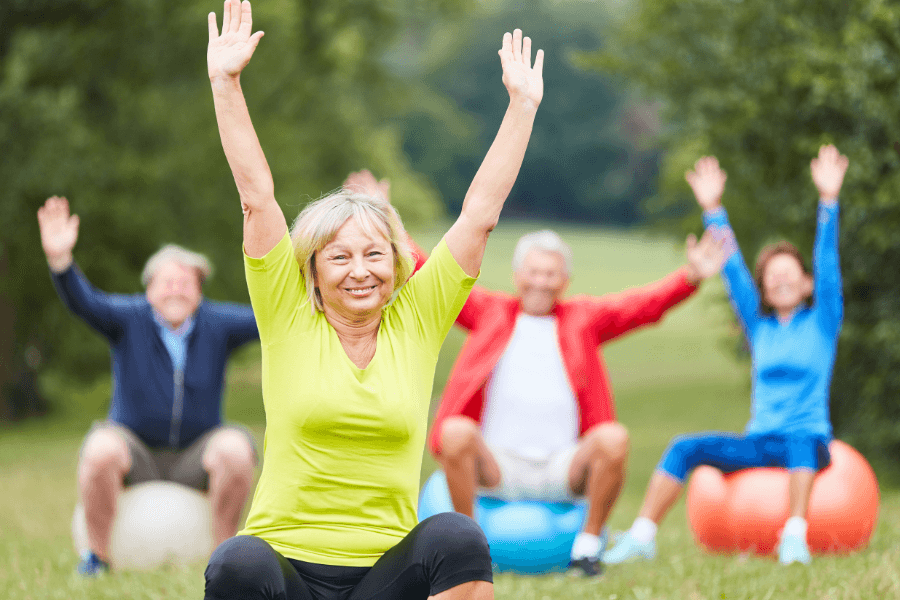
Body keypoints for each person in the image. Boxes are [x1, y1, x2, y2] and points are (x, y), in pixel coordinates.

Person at [203, 0, 544, 598]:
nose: (359, 271)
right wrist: (226, 83)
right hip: (289, 573)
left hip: (386, 581)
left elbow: (479, 216)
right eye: (338, 257)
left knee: (458, 538)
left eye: (373, 254)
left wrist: (521, 107)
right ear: (311, 270)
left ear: (399, 261)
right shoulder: (286, 313)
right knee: (237, 562)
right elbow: (257, 198)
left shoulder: (416, 318)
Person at [342, 169, 725, 578]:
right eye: (534, 272)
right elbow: (427, 269)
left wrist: (691, 278)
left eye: (551, 273)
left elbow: (640, 306)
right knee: (454, 431)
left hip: (562, 467)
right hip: (496, 465)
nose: (541, 281)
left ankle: (587, 547)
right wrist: (384, 214)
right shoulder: (489, 312)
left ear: (565, 280)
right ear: (517, 276)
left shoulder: (584, 319)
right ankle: (470, 545)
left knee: (614, 438)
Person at [604, 145, 847, 567]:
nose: (781, 280)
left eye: (790, 273)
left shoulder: (823, 321)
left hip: (809, 442)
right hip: (760, 441)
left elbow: (827, 263)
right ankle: (642, 535)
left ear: (807, 285)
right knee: (684, 447)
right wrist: (712, 209)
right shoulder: (760, 327)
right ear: (765, 290)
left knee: (801, 441)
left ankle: (793, 538)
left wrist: (828, 201)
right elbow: (733, 271)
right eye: (772, 277)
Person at [37, 196, 260, 577]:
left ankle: (223, 563)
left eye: (186, 282)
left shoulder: (218, 323)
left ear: (199, 290)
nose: (176, 289)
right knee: (100, 450)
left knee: (237, 451)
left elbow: (270, 317)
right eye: (167, 282)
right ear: (149, 288)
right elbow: (83, 302)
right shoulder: (128, 318)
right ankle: (97, 559)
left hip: (196, 451)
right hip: (134, 449)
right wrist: (61, 262)